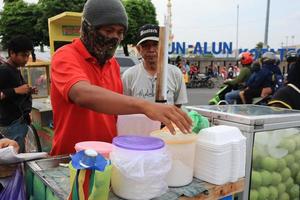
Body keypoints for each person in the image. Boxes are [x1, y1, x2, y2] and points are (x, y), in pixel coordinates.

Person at [50, 0, 192, 156]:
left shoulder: (113, 65)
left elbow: (117, 114)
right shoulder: (65, 56)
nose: (114, 37)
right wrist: (145, 106)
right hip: (71, 158)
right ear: (87, 28)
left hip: (109, 156)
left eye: (119, 32)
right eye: (109, 30)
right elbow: (82, 94)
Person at [122, 24, 188, 107]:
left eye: (155, 44)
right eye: (146, 45)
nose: (151, 50)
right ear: (139, 49)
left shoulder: (175, 73)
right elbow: (125, 106)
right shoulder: (129, 75)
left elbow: (178, 105)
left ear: (163, 46)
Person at [0, 35, 36, 153]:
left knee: (18, 159)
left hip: (18, 121)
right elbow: (12, 91)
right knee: (13, 162)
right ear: (12, 53)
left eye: (28, 55)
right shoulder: (4, 71)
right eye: (23, 55)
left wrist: (27, 91)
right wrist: (16, 90)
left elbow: (13, 92)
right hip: (10, 125)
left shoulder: (14, 69)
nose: (26, 59)